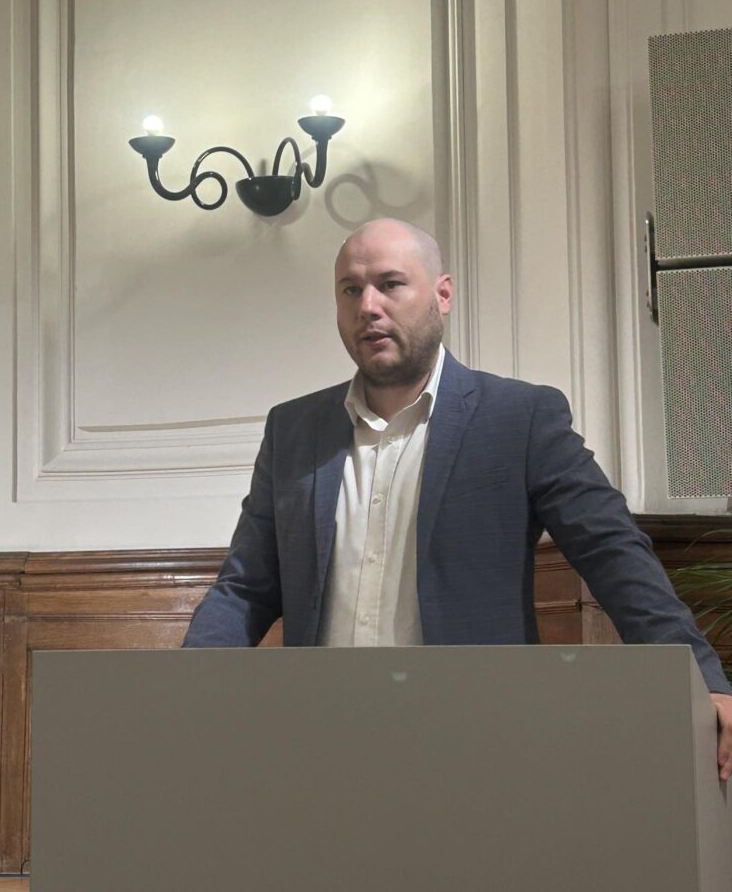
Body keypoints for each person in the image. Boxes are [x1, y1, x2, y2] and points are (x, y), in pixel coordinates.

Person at [183, 217, 732, 779]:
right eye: (350, 289)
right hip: (319, 746)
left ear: (442, 295)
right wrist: (178, 689)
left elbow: (612, 552)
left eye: (390, 284)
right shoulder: (293, 430)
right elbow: (246, 586)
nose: (368, 306)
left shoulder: (519, 418)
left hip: (476, 748)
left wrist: (700, 678)